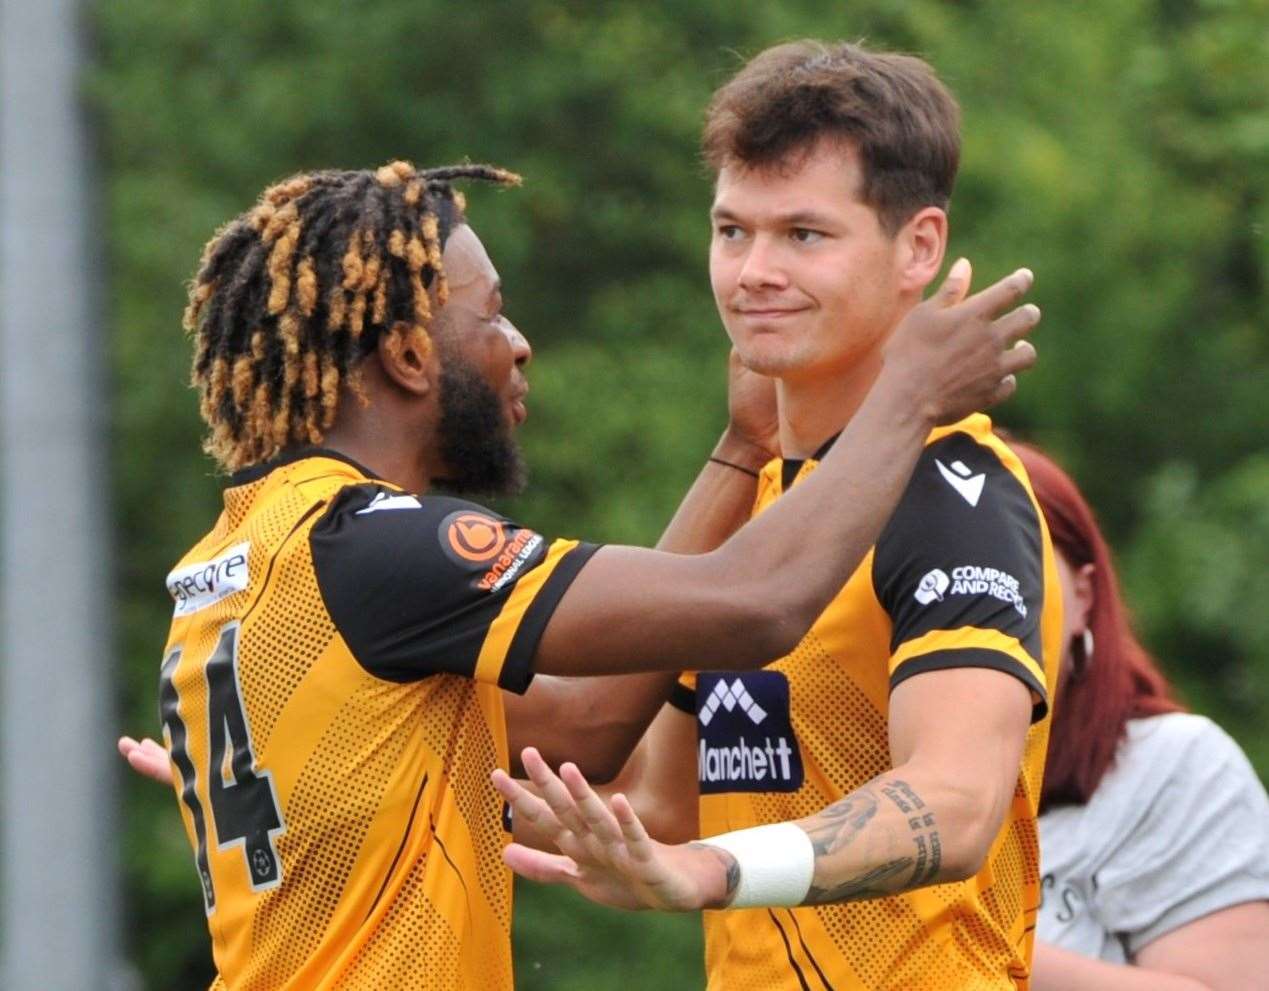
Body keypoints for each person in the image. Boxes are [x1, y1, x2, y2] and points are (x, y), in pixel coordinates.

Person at [121, 156, 1037, 990]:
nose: (517, 342)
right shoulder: (378, 546)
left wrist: (738, 451)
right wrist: (909, 395)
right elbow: (758, 600)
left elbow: (586, 728)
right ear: (405, 355)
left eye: (799, 233)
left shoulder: (236, 560)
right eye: (490, 311)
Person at [492, 40, 1064, 990]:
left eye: (803, 234)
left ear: (918, 245)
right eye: (730, 231)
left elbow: (957, 803)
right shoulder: (769, 505)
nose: (752, 270)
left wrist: (707, 872)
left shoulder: (951, 485)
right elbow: (666, 805)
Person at [1009, 442, 1269, 991]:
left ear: (1082, 598)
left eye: (1012, 576)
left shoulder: (1172, 770)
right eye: (927, 588)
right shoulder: (830, 773)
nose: (974, 616)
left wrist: (956, 931)